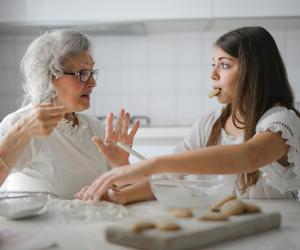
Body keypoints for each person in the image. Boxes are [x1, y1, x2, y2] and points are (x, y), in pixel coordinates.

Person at [75, 26, 300, 202]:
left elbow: (250, 156)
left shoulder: (282, 122)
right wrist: (121, 193)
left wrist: (154, 163)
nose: (212, 74)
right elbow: (171, 178)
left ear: (254, 71)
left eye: (224, 65)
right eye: (213, 64)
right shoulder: (209, 124)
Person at [0, 29, 140, 199]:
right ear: (50, 76)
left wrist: (121, 166)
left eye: (91, 71)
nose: (93, 82)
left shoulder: (95, 128)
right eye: (82, 73)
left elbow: (123, 192)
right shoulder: (17, 123)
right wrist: (21, 132)